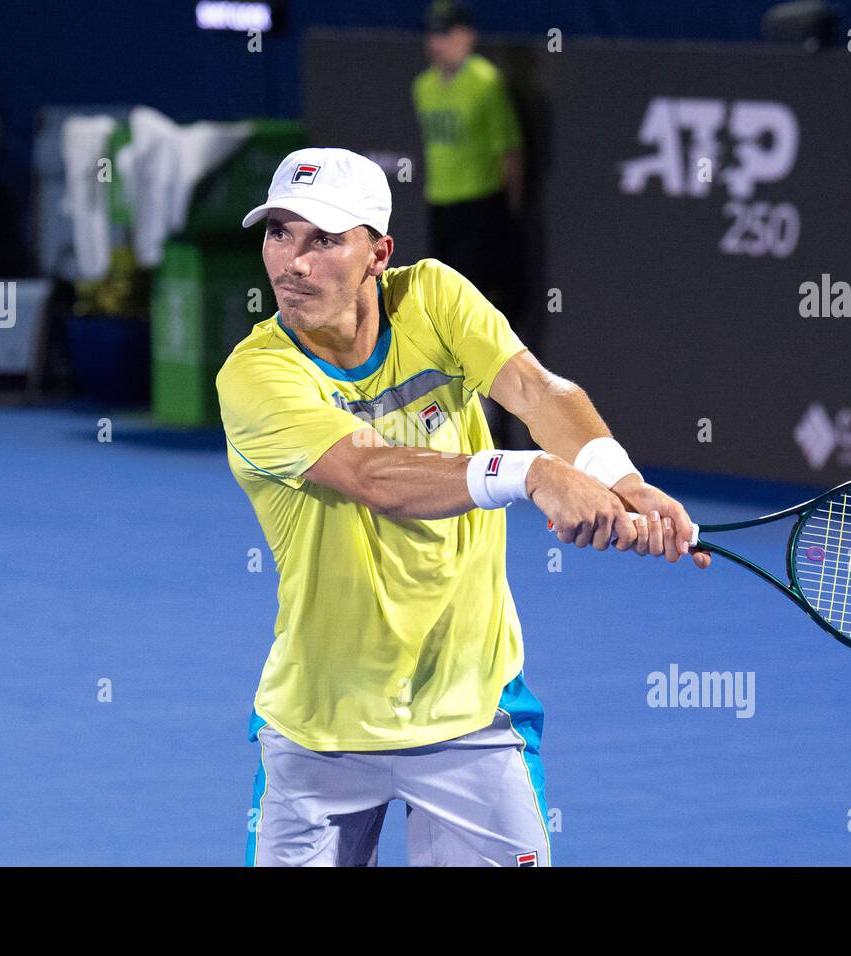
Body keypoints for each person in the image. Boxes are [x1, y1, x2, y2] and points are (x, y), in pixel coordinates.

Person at [216, 146, 711, 867]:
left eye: (323, 239)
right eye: (279, 233)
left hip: (472, 714)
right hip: (319, 730)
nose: (293, 263)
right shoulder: (256, 375)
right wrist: (533, 473)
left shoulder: (432, 298)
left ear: (378, 253)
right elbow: (372, 476)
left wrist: (617, 475)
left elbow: (539, 392)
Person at [413, 0, 527, 447]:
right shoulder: (421, 87)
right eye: (432, 34)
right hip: (441, 208)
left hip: (484, 211)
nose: (437, 43)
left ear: (468, 36)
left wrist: (509, 215)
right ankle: (452, 416)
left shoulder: (486, 83)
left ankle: (493, 415)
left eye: (447, 33)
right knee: (443, 313)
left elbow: (510, 152)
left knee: (486, 311)